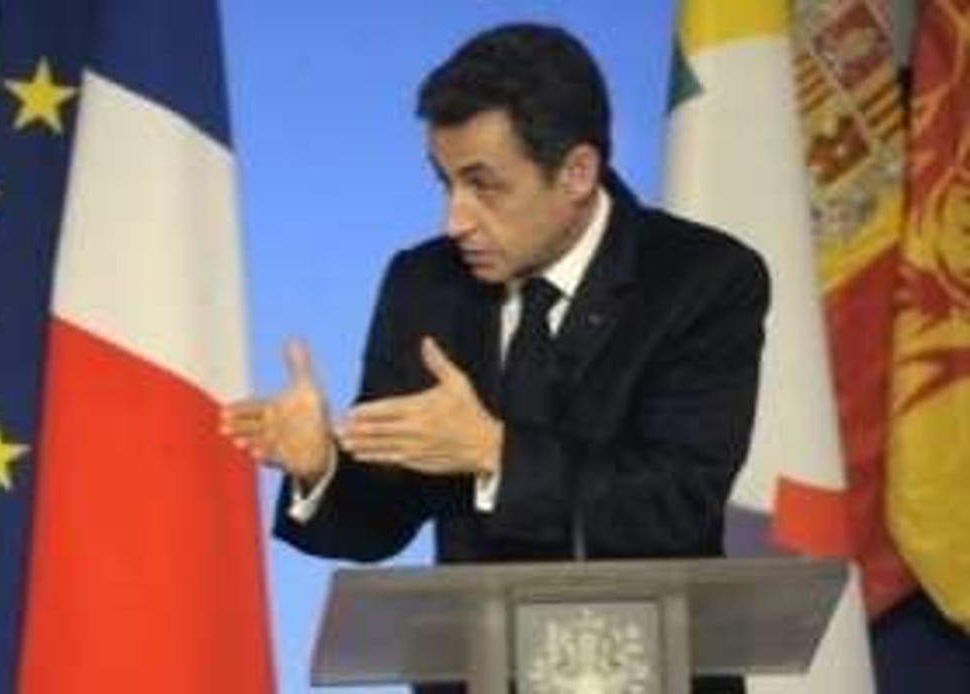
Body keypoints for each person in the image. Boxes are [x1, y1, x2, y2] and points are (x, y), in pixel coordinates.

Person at [222, 22, 768, 694]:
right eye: (445, 182)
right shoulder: (423, 283)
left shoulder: (701, 278)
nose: (456, 220)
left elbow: (677, 498)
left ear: (576, 172)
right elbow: (384, 516)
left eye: (484, 185)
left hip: (652, 669)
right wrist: (321, 469)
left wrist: (494, 451)